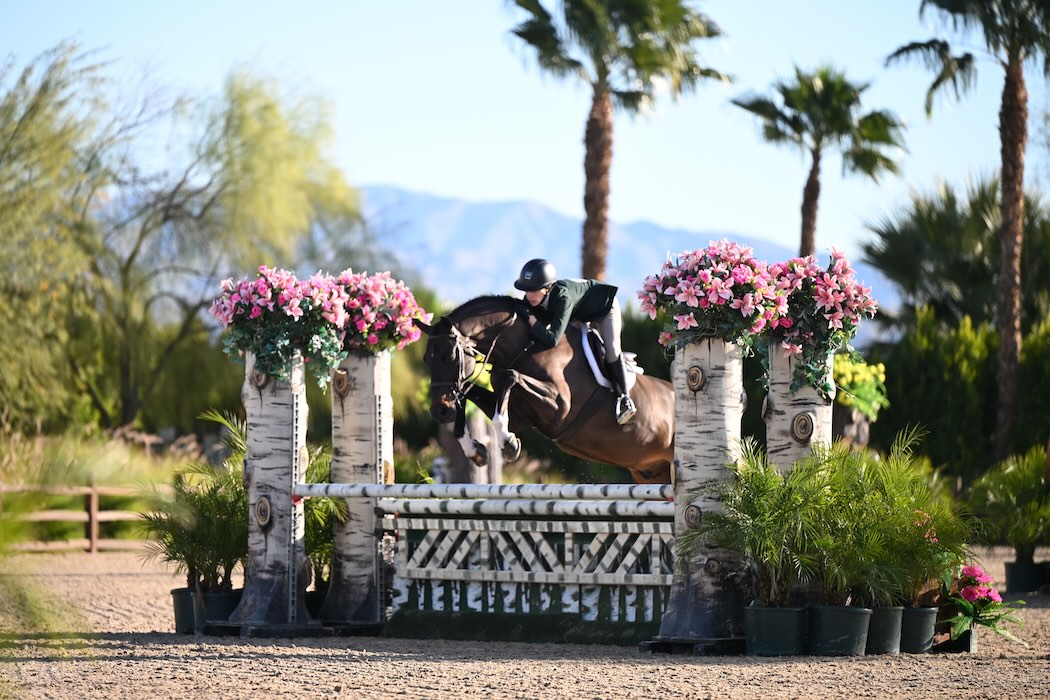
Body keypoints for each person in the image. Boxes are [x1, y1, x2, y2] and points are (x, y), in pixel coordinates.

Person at [513, 258, 637, 425]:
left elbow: (552, 339)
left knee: (612, 350)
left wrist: (531, 319)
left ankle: (625, 399)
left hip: (604, 308)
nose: (529, 296)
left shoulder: (562, 297)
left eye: (534, 290)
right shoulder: (532, 297)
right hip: (579, 312)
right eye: (526, 290)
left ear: (548, 288)